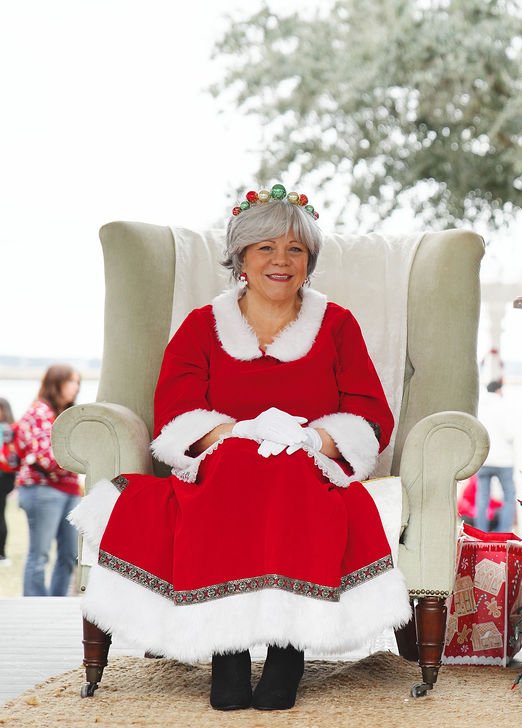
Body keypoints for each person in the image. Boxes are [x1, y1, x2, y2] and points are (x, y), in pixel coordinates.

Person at [69, 185, 410, 711]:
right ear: (241, 259)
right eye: (265, 248)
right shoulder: (202, 326)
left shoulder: (338, 325)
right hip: (222, 463)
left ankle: (285, 650)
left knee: (289, 469)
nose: (280, 260)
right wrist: (241, 434)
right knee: (237, 463)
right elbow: (178, 411)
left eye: (295, 249)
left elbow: (368, 410)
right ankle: (226, 651)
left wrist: (309, 439)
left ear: (309, 261)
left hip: (308, 467)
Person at [15, 365, 82, 595]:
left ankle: (57, 602)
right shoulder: (39, 412)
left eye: (78, 382)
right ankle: (35, 605)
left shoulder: (65, 414)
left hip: (69, 489)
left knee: (69, 554)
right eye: (71, 381)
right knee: (40, 553)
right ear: (56, 383)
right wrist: (76, 458)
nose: (76, 387)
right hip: (42, 489)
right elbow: (48, 459)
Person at [474, 379, 518, 532]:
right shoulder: (504, 406)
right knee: (509, 497)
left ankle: (480, 531)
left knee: (482, 498)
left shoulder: (480, 407)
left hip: (483, 459)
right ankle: (503, 532)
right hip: (504, 461)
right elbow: (510, 433)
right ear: (499, 390)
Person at [0, 397, 18, 565]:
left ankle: (2, 553)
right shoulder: (12, 428)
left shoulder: (5, 429)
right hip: (7, 475)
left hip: (3, 475)